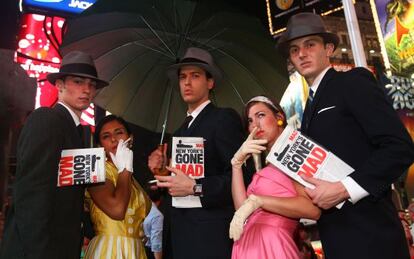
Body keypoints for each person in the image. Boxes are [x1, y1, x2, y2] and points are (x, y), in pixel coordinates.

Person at [277, 12, 414, 258]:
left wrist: (344, 188)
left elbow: (400, 147)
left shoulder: (352, 82)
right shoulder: (307, 107)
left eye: (310, 45)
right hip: (336, 238)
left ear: (328, 48)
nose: (302, 54)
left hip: (373, 237)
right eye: (295, 49)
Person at [0, 51, 108, 259]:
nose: (86, 89)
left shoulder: (77, 131)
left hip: (61, 246)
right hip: (37, 249)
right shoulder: (47, 119)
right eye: (78, 81)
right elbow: (32, 196)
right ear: (59, 85)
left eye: (92, 85)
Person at [148, 47, 244, 259]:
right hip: (179, 234)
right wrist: (162, 172)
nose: (187, 83)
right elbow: (178, 185)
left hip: (210, 235)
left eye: (195, 76)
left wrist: (196, 187)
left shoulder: (223, 118)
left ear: (210, 82)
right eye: (182, 77)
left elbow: (239, 178)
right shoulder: (180, 131)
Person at [229, 96, 320, 259]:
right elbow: (241, 210)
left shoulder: (292, 153)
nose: (255, 125)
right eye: (250, 120)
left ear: (279, 117)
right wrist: (236, 164)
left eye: (261, 115)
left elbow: (312, 210)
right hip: (246, 245)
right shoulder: (268, 164)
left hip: (273, 245)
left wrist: (259, 201)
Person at [83, 115, 151, 258]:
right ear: (100, 146)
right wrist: (125, 169)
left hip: (136, 251)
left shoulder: (133, 178)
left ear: (130, 138)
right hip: (109, 250)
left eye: (119, 132)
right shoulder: (96, 169)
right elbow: (117, 210)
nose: (114, 139)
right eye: (106, 136)